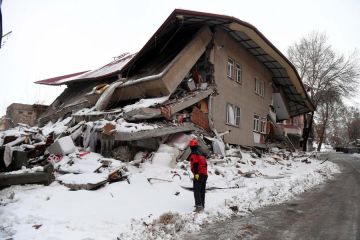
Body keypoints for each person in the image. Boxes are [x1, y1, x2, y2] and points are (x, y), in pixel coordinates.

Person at [188, 138, 208, 212]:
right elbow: (205, 164)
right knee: (202, 190)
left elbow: (195, 164)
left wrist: (196, 174)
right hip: (204, 174)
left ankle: (199, 207)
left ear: (191, 147)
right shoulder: (202, 154)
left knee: (196, 190)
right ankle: (202, 205)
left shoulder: (194, 155)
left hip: (199, 174)